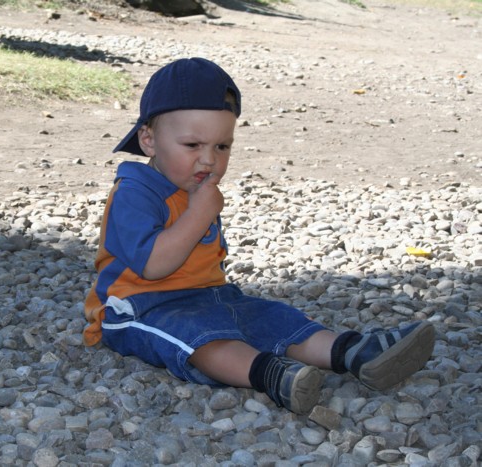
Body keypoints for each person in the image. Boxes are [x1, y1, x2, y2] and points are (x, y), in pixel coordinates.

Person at [82, 57, 435, 414]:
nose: (209, 160)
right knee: (200, 337)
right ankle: (270, 374)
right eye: (192, 146)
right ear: (148, 140)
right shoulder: (134, 192)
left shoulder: (192, 186)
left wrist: (200, 209)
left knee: (269, 317)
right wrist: (201, 211)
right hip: (139, 305)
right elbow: (155, 265)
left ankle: (354, 351)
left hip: (211, 294)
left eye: (222, 147)